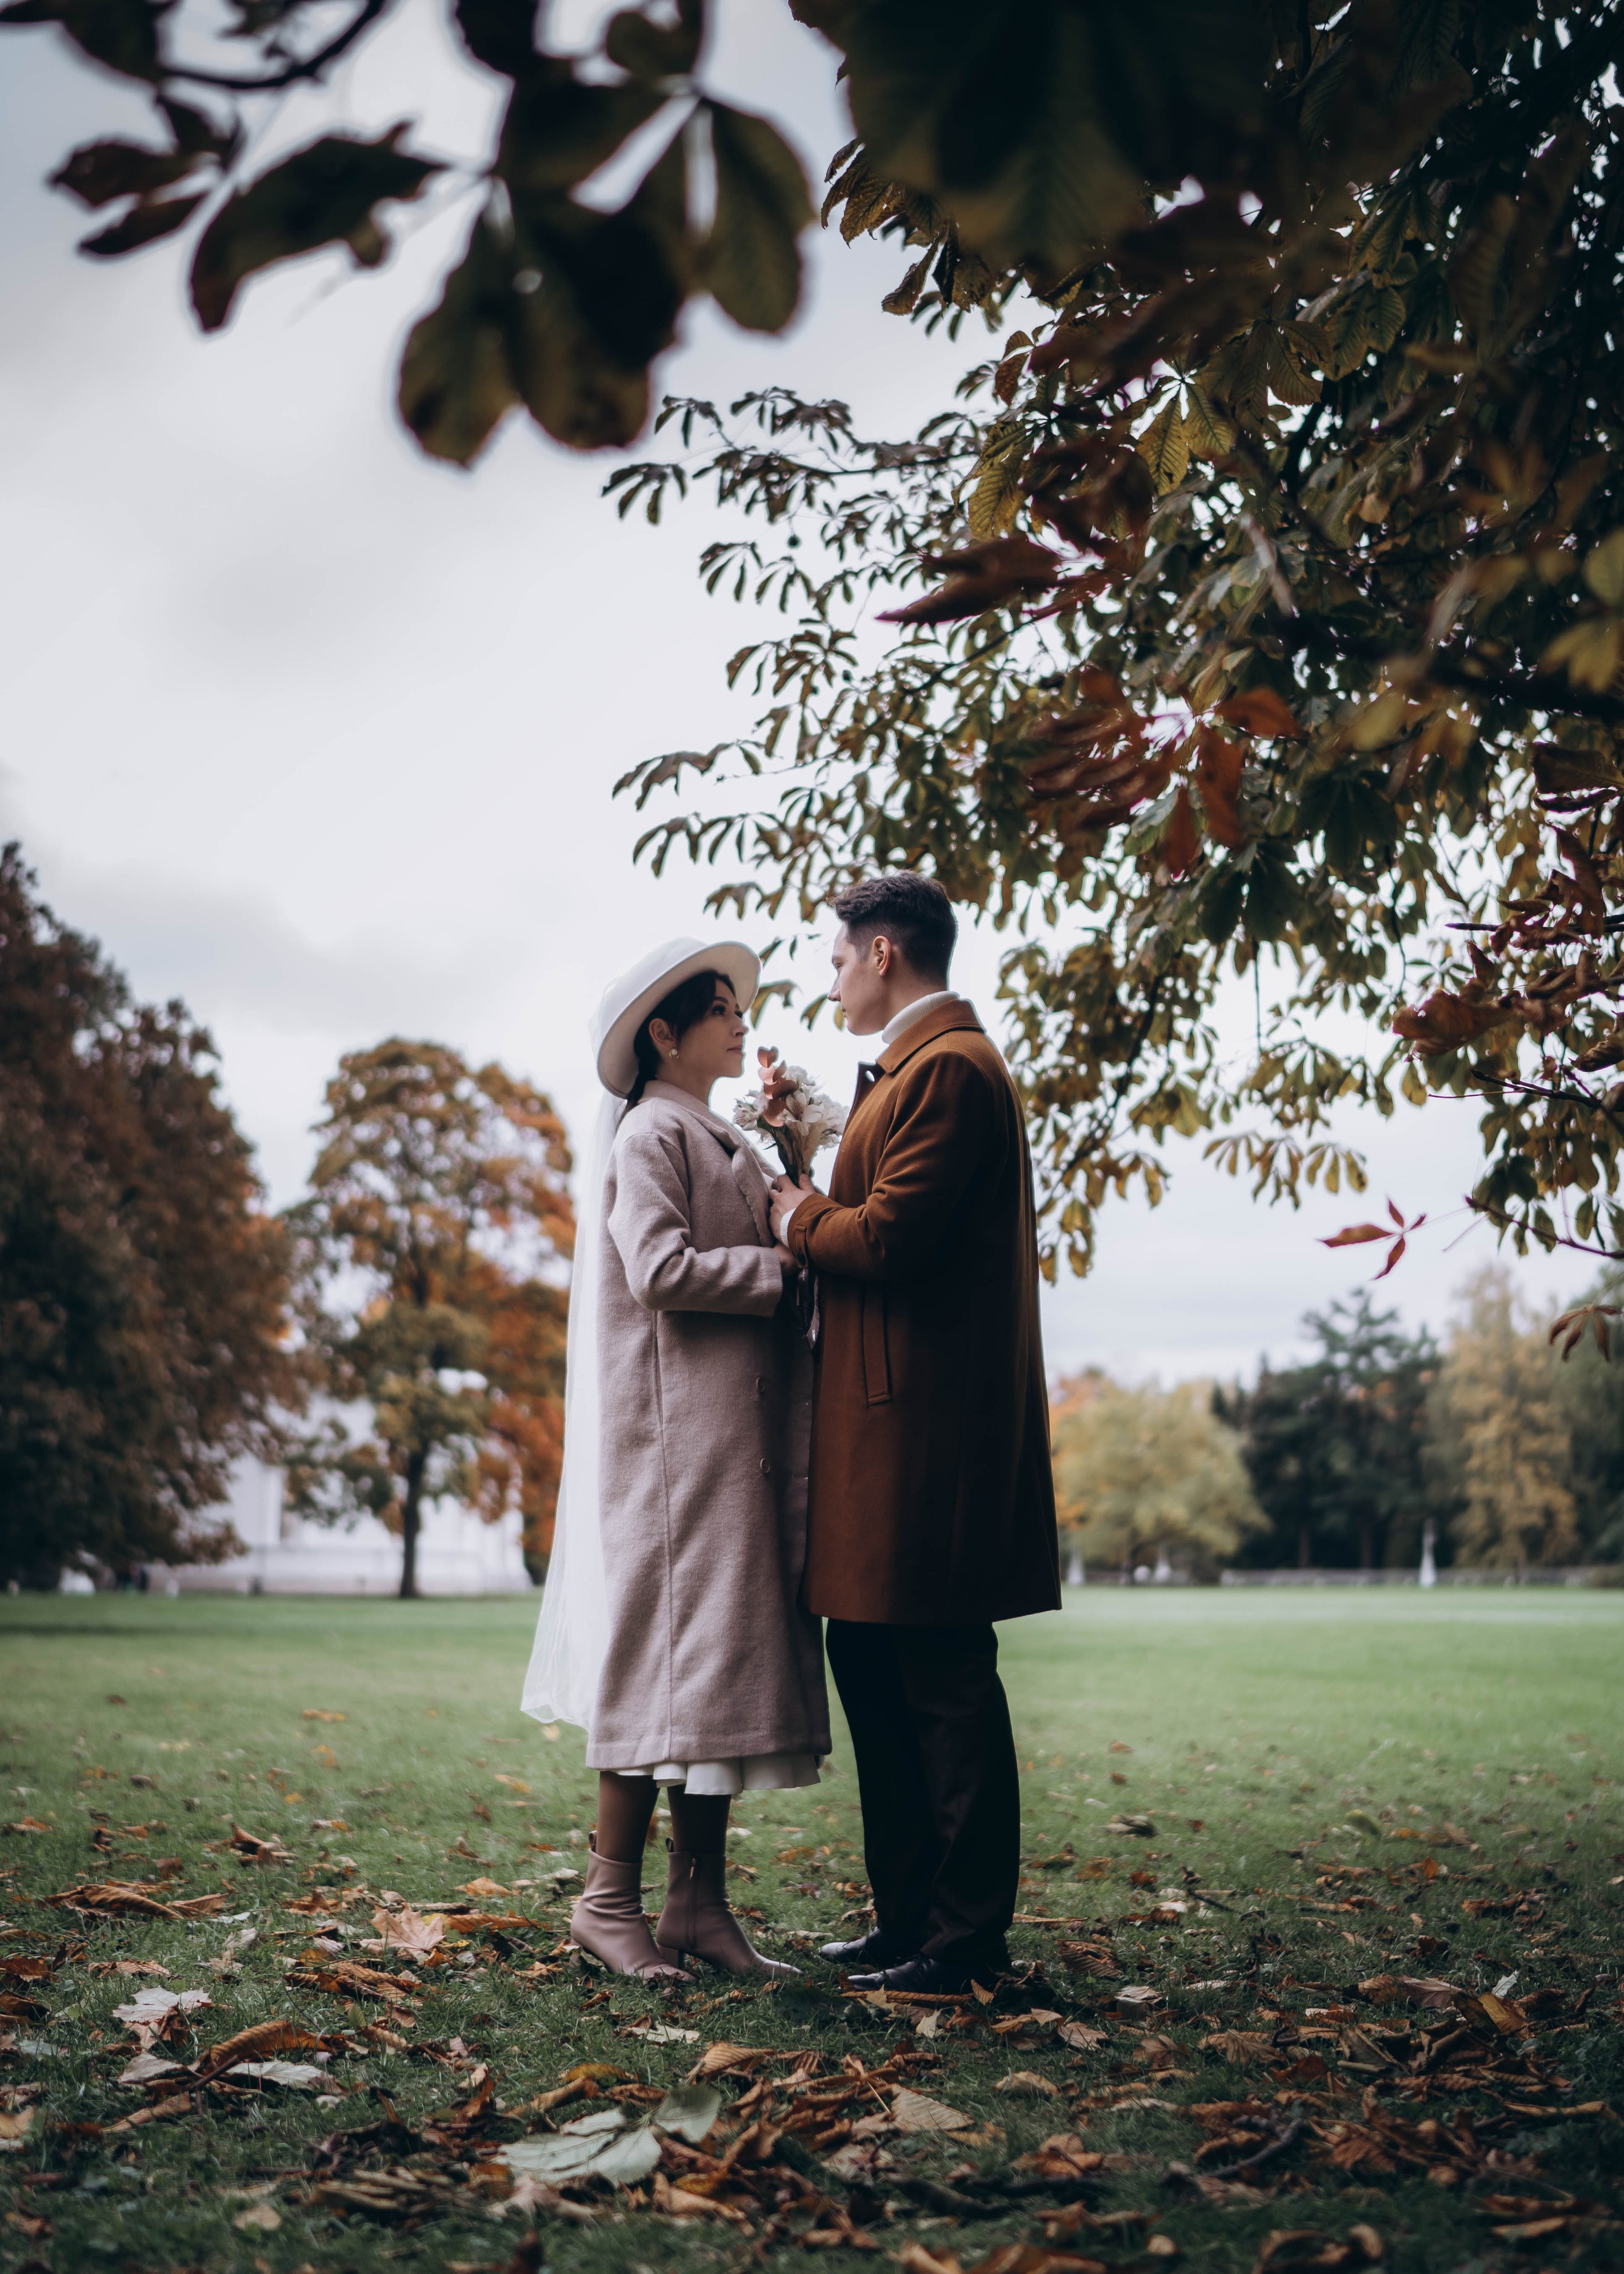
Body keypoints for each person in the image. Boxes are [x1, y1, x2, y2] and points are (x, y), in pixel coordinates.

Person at [770, 874, 1060, 1994]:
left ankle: (966, 1937)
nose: (831, 976)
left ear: (884, 953)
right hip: (879, 1430)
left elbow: (888, 1240)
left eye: (839, 957)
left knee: (941, 1676)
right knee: (875, 1665)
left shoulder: (949, 1071)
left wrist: (793, 1213)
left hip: (924, 1438)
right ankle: (907, 1921)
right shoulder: (912, 1072)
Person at [523, 938, 829, 1982]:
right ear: (666, 1033)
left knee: (723, 1667)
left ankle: (699, 1908)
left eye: (743, 1007)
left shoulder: (723, 1133)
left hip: (734, 1444)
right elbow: (658, 1269)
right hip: (674, 1451)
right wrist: (780, 1274)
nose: (744, 1022)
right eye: (723, 1008)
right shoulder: (651, 1135)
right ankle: (607, 1903)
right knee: (661, 1660)